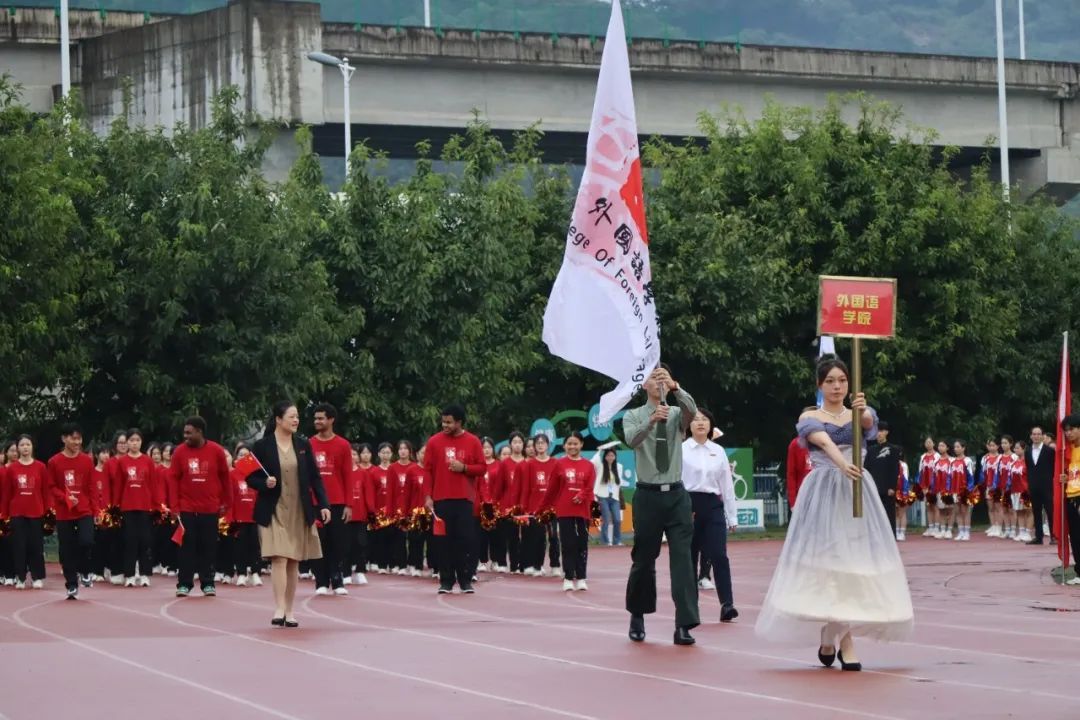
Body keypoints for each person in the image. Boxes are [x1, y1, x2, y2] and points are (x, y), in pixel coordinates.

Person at [755, 354, 914, 671]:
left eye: (842, 380)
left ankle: (836, 635)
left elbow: (867, 424)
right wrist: (843, 464)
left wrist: (862, 412)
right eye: (830, 381)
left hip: (857, 494)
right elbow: (824, 443)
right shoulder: (809, 417)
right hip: (825, 492)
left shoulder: (861, 412)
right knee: (830, 563)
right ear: (819, 385)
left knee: (853, 563)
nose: (837, 386)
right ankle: (841, 640)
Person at [622, 363, 700, 646]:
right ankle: (638, 613)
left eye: (663, 378)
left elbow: (692, 411)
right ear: (643, 384)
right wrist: (652, 420)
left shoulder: (677, 412)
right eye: (654, 378)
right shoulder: (633, 415)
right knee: (644, 559)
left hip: (677, 495)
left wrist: (677, 387)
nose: (659, 383)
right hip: (647, 496)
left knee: (683, 560)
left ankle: (684, 624)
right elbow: (632, 440)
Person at [246, 402, 331, 627]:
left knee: (293, 560)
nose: (296, 420)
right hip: (273, 509)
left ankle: (290, 611)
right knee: (279, 557)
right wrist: (264, 483)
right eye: (291, 416)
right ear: (278, 419)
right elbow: (249, 476)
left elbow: (315, 477)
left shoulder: (303, 445)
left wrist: (323, 504)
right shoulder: (262, 446)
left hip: (298, 509)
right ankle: (279, 607)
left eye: (297, 417)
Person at [682, 408, 739, 623]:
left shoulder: (718, 451)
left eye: (705, 419)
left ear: (710, 425)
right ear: (689, 425)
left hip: (713, 506)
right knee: (689, 558)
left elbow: (726, 485)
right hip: (688, 505)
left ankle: (727, 604)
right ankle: (690, 607)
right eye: (696, 419)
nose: (700, 423)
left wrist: (732, 516)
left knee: (719, 555)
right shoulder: (681, 450)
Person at [422, 404, 485, 595]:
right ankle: (446, 581)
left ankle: (465, 580)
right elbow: (428, 471)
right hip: (441, 499)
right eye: (443, 422)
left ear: (459, 422)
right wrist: (428, 496)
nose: (445, 425)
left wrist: (464, 468)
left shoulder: (473, 441)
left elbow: (482, 468)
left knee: (464, 540)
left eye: (449, 422)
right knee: (443, 542)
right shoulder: (434, 442)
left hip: (464, 500)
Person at [168, 416, 232, 597]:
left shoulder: (216, 451)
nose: (185, 436)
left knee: (209, 547)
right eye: (185, 433)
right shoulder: (179, 452)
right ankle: (184, 583)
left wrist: (227, 502)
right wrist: (174, 507)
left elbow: (225, 478)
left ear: (199, 432)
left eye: (189, 433)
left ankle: (208, 583)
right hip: (186, 508)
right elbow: (173, 479)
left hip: (210, 508)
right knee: (186, 547)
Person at [47, 424, 98, 599]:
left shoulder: (87, 461)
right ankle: (71, 584)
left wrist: (95, 511)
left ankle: (85, 570)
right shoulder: (54, 462)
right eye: (73, 438)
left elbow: (92, 487)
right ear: (64, 439)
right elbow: (51, 486)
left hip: (84, 510)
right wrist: (65, 498)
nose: (77, 442)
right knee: (66, 548)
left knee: (86, 541)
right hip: (64, 512)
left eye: (79, 438)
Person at [542, 431, 595, 591]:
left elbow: (590, 487)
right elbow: (552, 489)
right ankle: (568, 577)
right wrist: (542, 508)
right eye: (569, 444)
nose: (572, 446)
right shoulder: (559, 464)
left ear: (581, 445)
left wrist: (582, 495)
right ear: (564, 446)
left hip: (583, 511)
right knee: (567, 544)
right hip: (564, 510)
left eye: (575, 443)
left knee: (582, 544)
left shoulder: (588, 465)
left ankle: (581, 577)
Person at [310, 403, 353, 595]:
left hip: (337, 502)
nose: (317, 421)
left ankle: (337, 580)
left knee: (337, 542)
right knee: (318, 542)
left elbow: (348, 476)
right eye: (316, 418)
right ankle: (320, 581)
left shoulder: (343, 445)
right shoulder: (309, 444)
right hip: (315, 502)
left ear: (331, 420)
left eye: (321, 418)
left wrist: (349, 504)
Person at [113, 429, 160, 586]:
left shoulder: (147, 461)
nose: (134, 443)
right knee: (129, 541)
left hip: (145, 507)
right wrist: (115, 506)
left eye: (137, 440)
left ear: (141, 442)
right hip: (127, 507)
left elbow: (153, 485)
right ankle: (129, 575)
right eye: (131, 440)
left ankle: (145, 574)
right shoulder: (122, 462)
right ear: (127, 442)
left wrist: (156, 505)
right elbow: (118, 486)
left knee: (145, 540)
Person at [5, 435, 50, 589]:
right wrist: (4, 514)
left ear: (32, 447)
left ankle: (37, 576)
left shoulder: (40, 467)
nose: (25, 447)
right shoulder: (12, 469)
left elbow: (45, 491)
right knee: (19, 546)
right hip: (17, 513)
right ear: (18, 448)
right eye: (22, 445)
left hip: (36, 512)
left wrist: (48, 512)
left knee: (36, 546)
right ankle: (21, 577)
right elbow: (7, 493)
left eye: (28, 444)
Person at [864, 420, 901, 537]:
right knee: (873, 512)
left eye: (881, 431)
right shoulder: (870, 450)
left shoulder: (893, 449)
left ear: (886, 432)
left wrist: (892, 487)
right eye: (877, 431)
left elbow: (895, 469)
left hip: (887, 487)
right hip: (873, 486)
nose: (879, 433)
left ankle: (890, 536)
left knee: (889, 512)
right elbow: (866, 468)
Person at [1058, 414, 1080, 585]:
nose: (1068, 433)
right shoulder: (1068, 451)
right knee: (1075, 537)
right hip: (1071, 496)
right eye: (1066, 430)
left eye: (1071, 429)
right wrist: (1066, 478)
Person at [1025, 427, 1056, 544]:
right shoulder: (1028, 451)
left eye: (1038, 434)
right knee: (1036, 511)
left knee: (1050, 510)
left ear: (1042, 436)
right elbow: (1029, 468)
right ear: (1031, 436)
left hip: (1047, 486)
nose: (1036, 436)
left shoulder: (1049, 451)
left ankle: (1054, 536)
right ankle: (1039, 537)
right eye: (1034, 434)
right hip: (1033, 486)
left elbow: (1053, 468)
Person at [593, 446, 624, 546]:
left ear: (615, 457)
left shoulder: (619, 467)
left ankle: (617, 541)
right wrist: (600, 450)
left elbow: (619, 483)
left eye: (612, 455)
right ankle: (605, 541)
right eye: (608, 455)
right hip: (603, 497)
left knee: (617, 520)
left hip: (614, 497)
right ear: (605, 457)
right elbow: (593, 461)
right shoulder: (601, 466)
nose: (610, 457)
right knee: (606, 519)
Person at [785, 431, 812, 512]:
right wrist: (793, 502)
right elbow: (791, 474)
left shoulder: (825, 443)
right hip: (802, 497)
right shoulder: (795, 445)